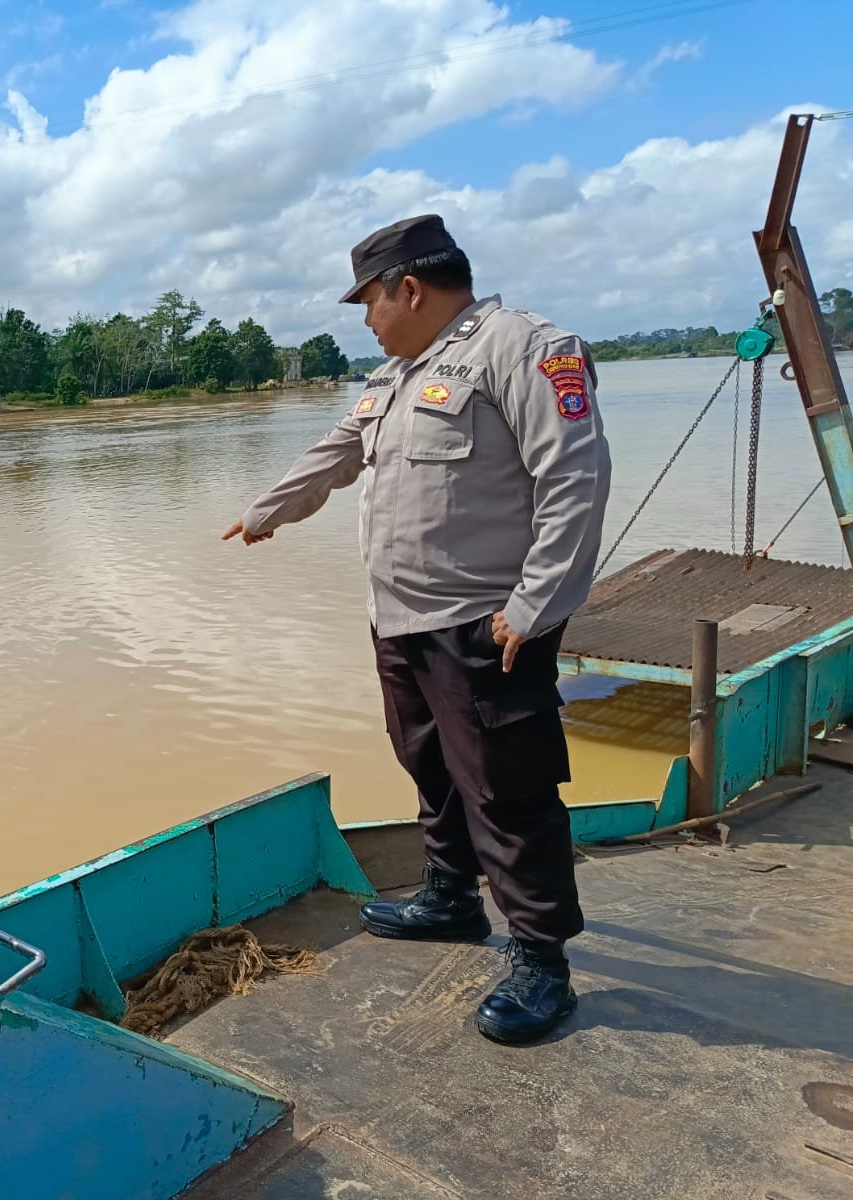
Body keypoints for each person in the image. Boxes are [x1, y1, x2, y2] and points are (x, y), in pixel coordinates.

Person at [223, 214, 611, 1045]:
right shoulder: (397, 374)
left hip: (486, 622)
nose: (366, 318)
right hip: (400, 619)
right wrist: (268, 510)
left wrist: (537, 605)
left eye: (369, 301)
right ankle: (449, 897)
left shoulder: (523, 347)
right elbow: (340, 448)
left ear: (410, 287)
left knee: (508, 789)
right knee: (427, 762)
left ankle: (542, 960)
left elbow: (573, 477)